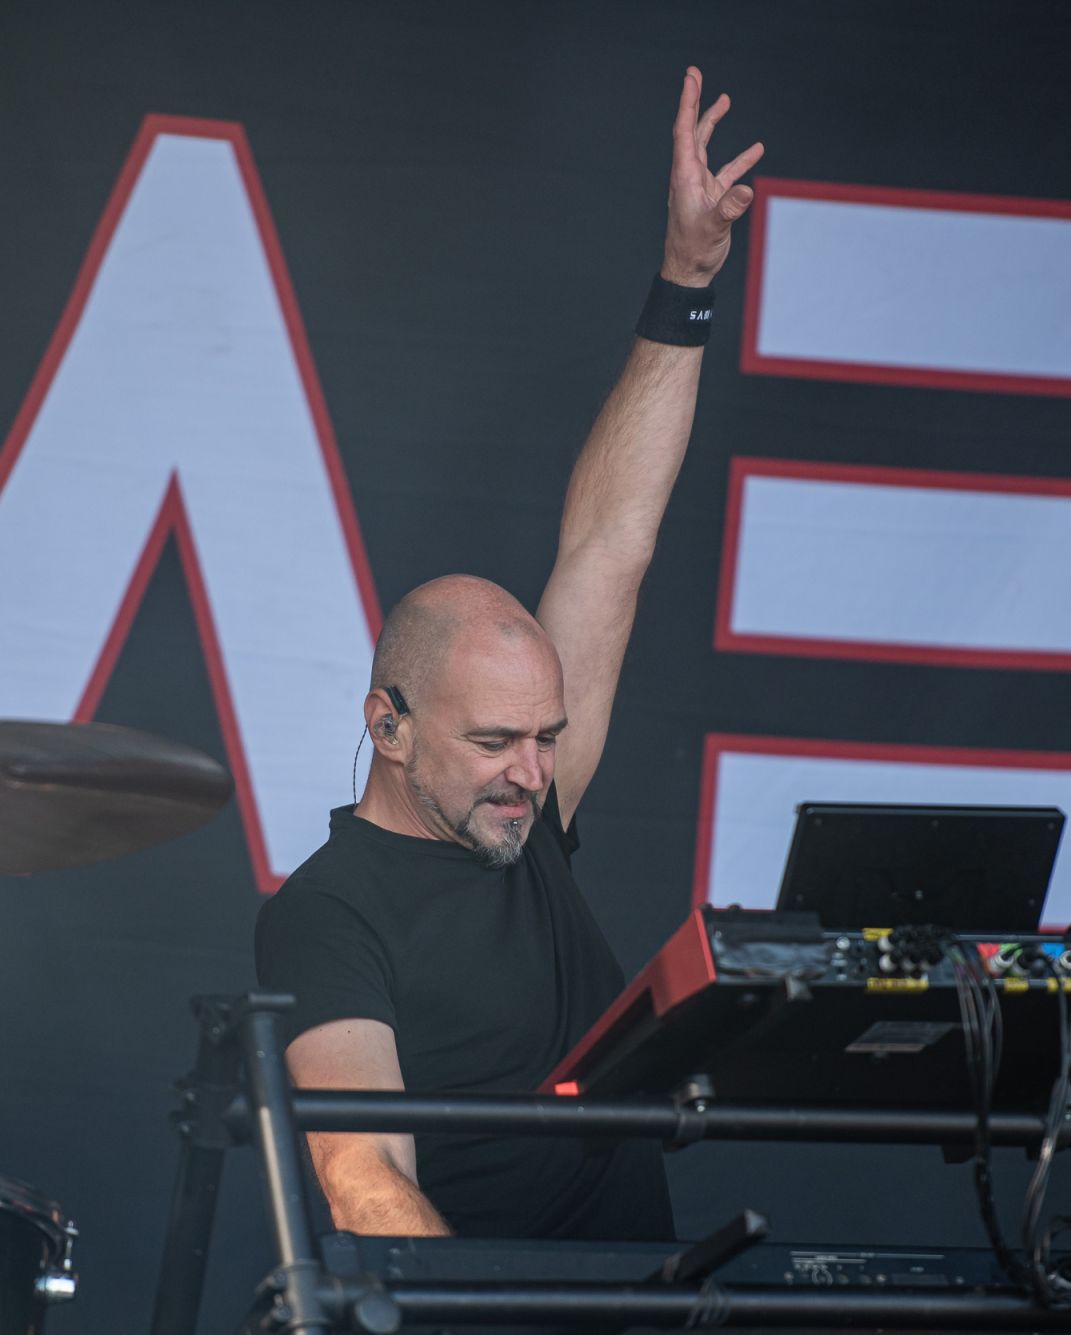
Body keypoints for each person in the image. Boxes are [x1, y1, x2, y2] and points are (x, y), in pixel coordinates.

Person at [254, 67, 763, 1240]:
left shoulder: (527, 819)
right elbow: (362, 1182)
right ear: (386, 726)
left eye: (546, 738)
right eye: (492, 742)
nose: (531, 774)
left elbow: (608, 547)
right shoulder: (326, 913)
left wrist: (686, 281)